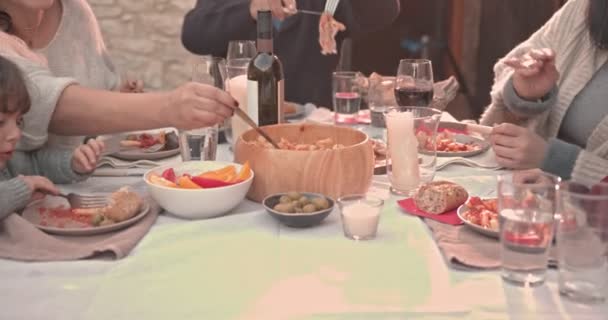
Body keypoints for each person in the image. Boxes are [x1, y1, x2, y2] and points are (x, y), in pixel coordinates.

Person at [0, 0, 237, 151]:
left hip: (91, 185)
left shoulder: (75, 10)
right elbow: (43, 106)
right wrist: (170, 107)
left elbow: (99, 96)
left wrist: (120, 95)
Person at [181, 0, 401, 108]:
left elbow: (385, 11)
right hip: (240, 118)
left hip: (312, 122)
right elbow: (193, 34)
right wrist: (249, 10)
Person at [480, 0, 608, 183]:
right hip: (525, 191)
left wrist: (556, 160)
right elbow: (516, 63)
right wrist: (524, 95)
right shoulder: (582, 7)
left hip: (579, 207)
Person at [0, 56, 104, 219]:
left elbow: (36, 164)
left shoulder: (9, 161)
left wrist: (73, 163)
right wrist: (24, 187)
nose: (15, 134)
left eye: (18, 121)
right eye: (0, 122)